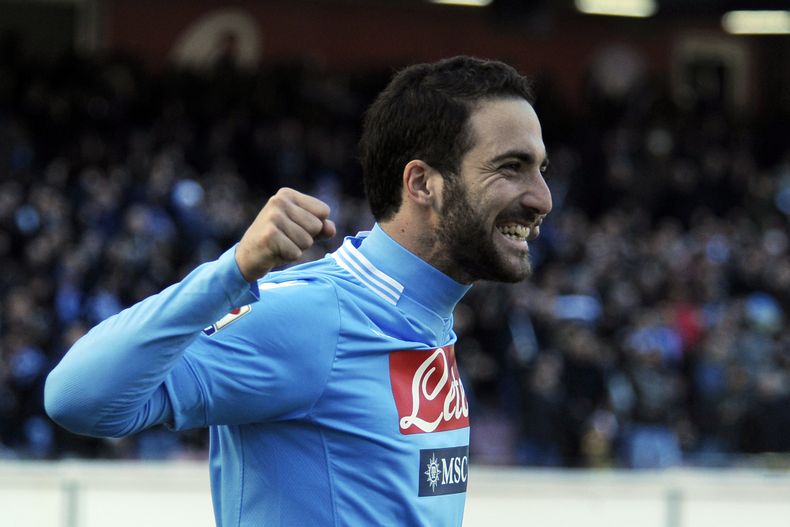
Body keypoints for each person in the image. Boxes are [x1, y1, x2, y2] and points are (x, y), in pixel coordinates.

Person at [45, 55, 552, 526]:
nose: (542, 198)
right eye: (512, 166)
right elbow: (78, 399)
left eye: (540, 169)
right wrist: (234, 270)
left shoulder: (428, 316)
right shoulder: (311, 316)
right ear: (421, 184)